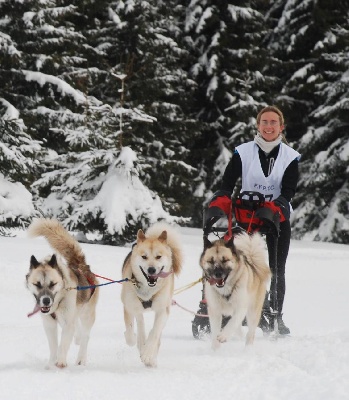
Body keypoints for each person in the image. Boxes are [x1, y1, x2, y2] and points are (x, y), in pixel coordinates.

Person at [206, 105, 301, 335]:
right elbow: (227, 183)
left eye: (273, 122)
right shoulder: (244, 152)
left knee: (277, 269)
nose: (269, 126)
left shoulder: (290, 157)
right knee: (242, 265)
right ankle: (246, 307)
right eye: (264, 122)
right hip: (247, 217)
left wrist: (275, 206)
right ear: (258, 125)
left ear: (281, 127)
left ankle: (276, 316)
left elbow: (288, 191)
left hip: (277, 217)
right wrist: (221, 199)